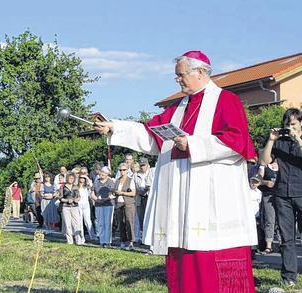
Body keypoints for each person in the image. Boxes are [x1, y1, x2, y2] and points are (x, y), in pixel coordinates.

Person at [95, 50, 258, 292]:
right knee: (184, 256)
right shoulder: (179, 108)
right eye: (177, 76)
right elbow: (150, 133)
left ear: (200, 72)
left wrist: (192, 144)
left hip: (213, 199)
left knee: (212, 259)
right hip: (182, 201)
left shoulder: (226, 101)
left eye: (181, 75)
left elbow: (237, 140)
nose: (178, 80)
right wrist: (114, 127)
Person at [261, 108, 302, 287]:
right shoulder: (280, 142)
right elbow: (263, 161)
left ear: (301, 123)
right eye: (287, 124)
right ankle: (289, 278)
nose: (289, 128)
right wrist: (271, 140)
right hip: (282, 194)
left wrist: (298, 139)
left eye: (293, 124)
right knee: (286, 239)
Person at [114, 162, 137, 249]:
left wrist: (122, 193)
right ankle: (123, 241)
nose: (122, 171)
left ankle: (131, 242)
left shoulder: (130, 180)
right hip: (119, 203)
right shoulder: (117, 180)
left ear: (127, 170)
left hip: (128, 203)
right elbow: (114, 191)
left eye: (124, 170)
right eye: (120, 170)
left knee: (129, 222)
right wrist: (114, 193)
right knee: (121, 223)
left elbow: (133, 193)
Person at [258, 160, 278, 254]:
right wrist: (266, 182)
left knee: (283, 221)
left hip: (281, 195)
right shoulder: (264, 166)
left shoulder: (284, 165)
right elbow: (257, 180)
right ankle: (269, 246)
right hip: (268, 195)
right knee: (270, 220)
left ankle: (284, 244)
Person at [91, 166, 115, 247]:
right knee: (100, 223)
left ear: (107, 174)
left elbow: (113, 194)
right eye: (101, 172)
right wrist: (96, 199)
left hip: (108, 204)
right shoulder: (96, 181)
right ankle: (102, 241)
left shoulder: (110, 182)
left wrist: (106, 198)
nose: (102, 174)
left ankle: (108, 242)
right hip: (98, 204)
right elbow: (92, 193)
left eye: (104, 173)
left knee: (108, 223)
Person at [58, 173, 84, 244]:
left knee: (76, 223)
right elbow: (60, 198)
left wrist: (77, 200)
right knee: (67, 224)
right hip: (66, 207)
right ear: (67, 179)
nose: (71, 180)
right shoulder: (62, 187)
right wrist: (67, 200)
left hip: (75, 206)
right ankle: (70, 241)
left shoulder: (75, 187)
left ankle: (78, 240)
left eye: (72, 178)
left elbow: (79, 196)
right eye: (70, 178)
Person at [134, 158, 154, 242]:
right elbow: (134, 186)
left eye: (144, 165)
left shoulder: (152, 172)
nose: (142, 167)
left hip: (149, 197)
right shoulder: (136, 175)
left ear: (147, 165)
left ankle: (149, 238)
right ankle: (143, 237)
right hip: (139, 197)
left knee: (149, 218)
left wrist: (146, 189)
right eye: (141, 165)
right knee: (141, 218)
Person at [77, 174, 97, 241]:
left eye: (83, 178)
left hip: (86, 205)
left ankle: (93, 236)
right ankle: (81, 237)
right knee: (80, 222)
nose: (82, 179)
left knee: (88, 221)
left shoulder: (87, 187)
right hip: (79, 204)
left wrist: (86, 177)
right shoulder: (76, 187)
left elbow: (91, 184)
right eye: (81, 178)